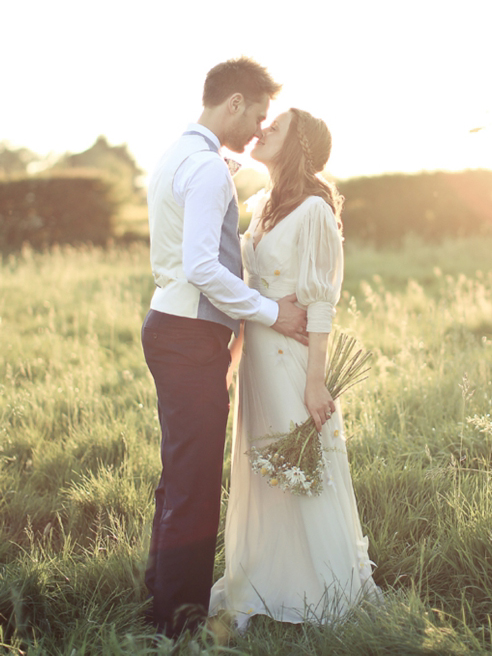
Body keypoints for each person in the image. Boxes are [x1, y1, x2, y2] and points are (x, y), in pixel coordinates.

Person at [141, 58, 308, 638]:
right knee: (195, 480)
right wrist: (270, 314)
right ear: (233, 103)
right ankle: (178, 624)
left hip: (169, 324)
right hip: (189, 335)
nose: (259, 126)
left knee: (179, 471)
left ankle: (160, 595)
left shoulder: (175, 153)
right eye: (258, 113)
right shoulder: (207, 167)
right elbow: (201, 266)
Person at [209, 107, 382, 631]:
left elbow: (321, 303)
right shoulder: (261, 206)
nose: (261, 131)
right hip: (258, 360)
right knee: (263, 472)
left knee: (302, 471)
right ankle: (262, 577)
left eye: (275, 127)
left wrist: (316, 384)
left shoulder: (314, 209)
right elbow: (244, 293)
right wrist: (233, 363)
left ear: (298, 145)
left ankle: (322, 590)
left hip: (293, 365)